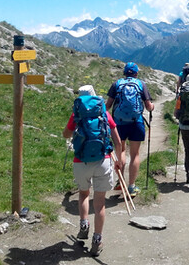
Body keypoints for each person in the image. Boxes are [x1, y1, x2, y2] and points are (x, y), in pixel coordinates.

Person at [63, 85, 122, 257]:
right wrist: (117, 161)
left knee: (83, 194)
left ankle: (83, 226)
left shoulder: (77, 114)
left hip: (80, 161)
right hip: (103, 160)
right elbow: (117, 141)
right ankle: (97, 240)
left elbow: (66, 134)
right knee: (100, 203)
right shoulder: (104, 112)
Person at [106, 61, 154, 197]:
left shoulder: (117, 84)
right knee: (135, 154)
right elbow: (149, 107)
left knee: (120, 150)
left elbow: (108, 106)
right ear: (137, 73)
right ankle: (131, 186)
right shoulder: (141, 84)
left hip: (119, 124)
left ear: (124, 72)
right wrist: (153, 107)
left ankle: (120, 181)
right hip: (136, 123)